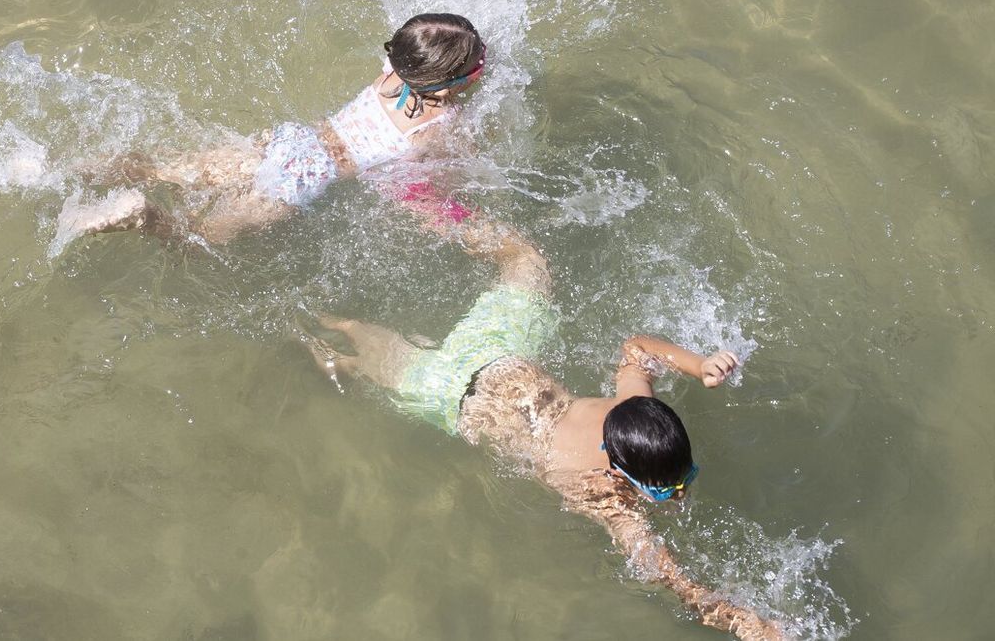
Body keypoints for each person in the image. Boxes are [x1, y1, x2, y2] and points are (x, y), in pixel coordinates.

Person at [300, 216, 785, 640]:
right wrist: (740, 620)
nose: (678, 496)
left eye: (686, 477)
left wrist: (699, 365)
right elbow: (664, 573)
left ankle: (431, 209)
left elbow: (638, 350)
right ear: (618, 468)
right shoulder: (599, 493)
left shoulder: (633, 408)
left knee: (525, 256)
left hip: (500, 354)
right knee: (343, 354)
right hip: (448, 395)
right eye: (664, 492)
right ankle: (310, 321)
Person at [52, 13, 484, 253]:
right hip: (305, 177)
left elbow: (419, 46)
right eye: (476, 64)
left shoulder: (389, 73)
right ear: (446, 85)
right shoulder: (436, 127)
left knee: (169, 168)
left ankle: (58, 168)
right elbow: (412, 186)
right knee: (199, 239)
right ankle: (143, 217)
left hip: (293, 140)